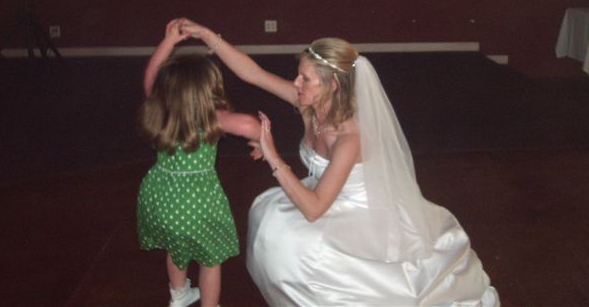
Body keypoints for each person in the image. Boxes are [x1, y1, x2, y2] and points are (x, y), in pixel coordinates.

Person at [180, 18, 500, 307]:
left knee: (303, 248)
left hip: (359, 211)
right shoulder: (308, 106)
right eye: (298, 75)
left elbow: (314, 210)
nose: (296, 83)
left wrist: (272, 154)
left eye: (306, 79)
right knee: (270, 224)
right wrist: (207, 35)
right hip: (324, 195)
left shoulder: (349, 137)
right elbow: (254, 74)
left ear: (332, 85)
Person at [136, 19, 262, 307]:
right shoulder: (213, 118)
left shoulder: (158, 107)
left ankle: (179, 296)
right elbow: (250, 125)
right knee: (211, 259)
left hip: (160, 196)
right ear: (209, 90)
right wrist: (261, 145)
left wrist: (169, 41)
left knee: (175, 248)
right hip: (198, 203)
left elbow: (150, 73)